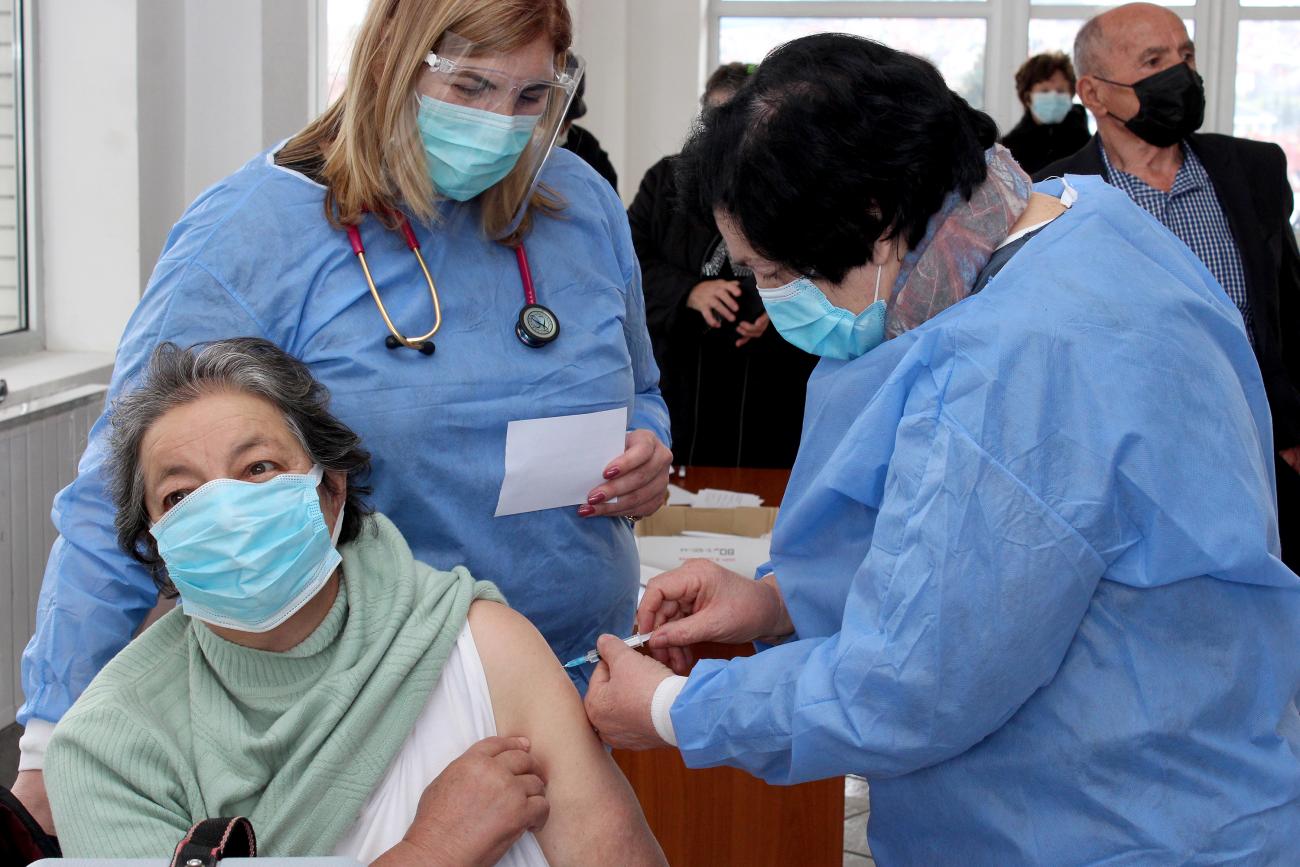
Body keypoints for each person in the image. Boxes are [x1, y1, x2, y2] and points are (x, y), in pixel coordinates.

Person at [583, 32, 1300, 864]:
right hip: (1205, 781)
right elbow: (1013, 561)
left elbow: (907, 685)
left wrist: (675, 707)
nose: (773, 301)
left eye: (775, 270)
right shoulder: (1086, 220)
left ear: (875, 222)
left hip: (1093, 824)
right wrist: (779, 603)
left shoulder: (1005, 369)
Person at [13, 0, 672, 834]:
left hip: (573, 679)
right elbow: (134, 474)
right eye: (471, 85)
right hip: (364, 705)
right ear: (396, 60)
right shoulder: (255, 230)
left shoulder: (579, 203)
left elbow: (640, 386)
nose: (500, 122)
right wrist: (52, 741)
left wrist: (652, 446)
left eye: (531, 98)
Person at [42, 338, 666, 865]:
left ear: (332, 492)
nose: (226, 512)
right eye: (181, 498)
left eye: (257, 469)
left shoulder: (476, 647)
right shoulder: (110, 746)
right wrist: (428, 851)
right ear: (155, 542)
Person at [1038, 2, 1300, 568]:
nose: (1180, 75)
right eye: (1153, 60)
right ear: (1095, 92)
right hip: (1129, 471)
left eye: (1186, 56)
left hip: (1261, 457)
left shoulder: (1254, 170)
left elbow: (1288, 307)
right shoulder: (1051, 198)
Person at [629, 62, 816, 467]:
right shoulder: (664, 180)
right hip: (681, 373)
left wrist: (776, 304)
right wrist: (690, 293)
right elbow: (628, 263)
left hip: (768, 381)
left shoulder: (795, 183)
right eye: (715, 119)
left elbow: (822, 265)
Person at [999, 51, 1091, 175]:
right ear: (1027, 97)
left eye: (1060, 91)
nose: (1053, 96)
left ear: (1071, 95)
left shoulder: (1089, 146)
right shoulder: (1009, 150)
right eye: (1044, 91)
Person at [558, 57, 618, 191]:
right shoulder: (515, 146)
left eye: (566, 120)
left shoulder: (587, 146)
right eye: (555, 120)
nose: (561, 129)